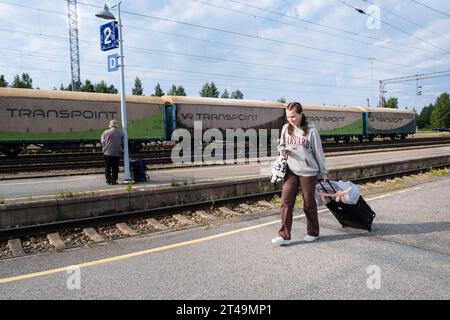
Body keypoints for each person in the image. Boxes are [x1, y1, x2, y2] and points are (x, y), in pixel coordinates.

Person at [272, 102, 328, 245]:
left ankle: (313, 232)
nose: (291, 119)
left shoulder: (311, 131)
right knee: (286, 202)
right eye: (288, 116)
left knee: (308, 203)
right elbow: (281, 145)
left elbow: (319, 153)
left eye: (293, 116)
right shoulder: (286, 128)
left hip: (308, 171)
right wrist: (283, 150)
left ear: (301, 114)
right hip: (291, 169)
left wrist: (323, 174)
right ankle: (284, 235)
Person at [101, 119, 123, 185]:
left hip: (107, 153)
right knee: (115, 168)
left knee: (107, 167)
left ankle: (108, 180)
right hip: (116, 153)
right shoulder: (121, 133)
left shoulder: (105, 132)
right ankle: (114, 181)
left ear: (110, 125)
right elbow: (122, 143)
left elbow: (102, 142)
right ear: (116, 125)